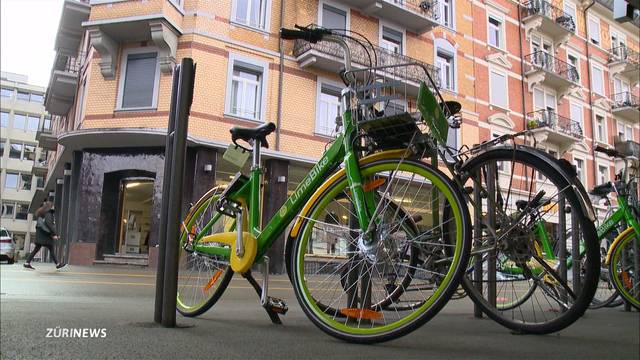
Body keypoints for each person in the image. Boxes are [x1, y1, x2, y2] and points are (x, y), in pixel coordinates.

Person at [23, 201, 66, 270]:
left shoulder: (43, 213)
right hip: (45, 236)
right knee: (51, 248)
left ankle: (27, 263)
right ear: (49, 206)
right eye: (52, 205)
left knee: (37, 249)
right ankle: (58, 264)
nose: (53, 206)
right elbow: (49, 224)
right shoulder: (48, 213)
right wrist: (54, 234)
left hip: (41, 235)